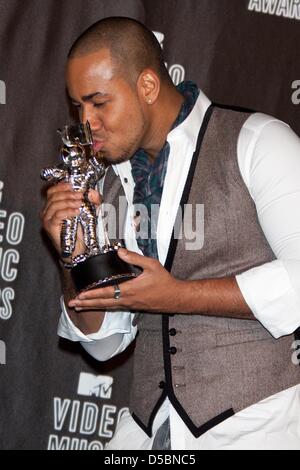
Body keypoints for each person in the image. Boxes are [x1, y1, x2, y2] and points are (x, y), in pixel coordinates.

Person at [41, 17, 300, 450]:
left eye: (98, 102)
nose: (87, 123)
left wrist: (176, 295)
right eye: (77, 107)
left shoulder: (258, 141)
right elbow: (103, 344)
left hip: (259, 427)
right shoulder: (105, 186)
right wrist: (74, 255)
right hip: (147, 432)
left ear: (146, 85)